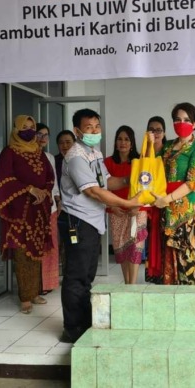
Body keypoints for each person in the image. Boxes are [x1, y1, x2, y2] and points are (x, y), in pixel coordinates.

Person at [60, 109, 141, 343]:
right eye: (89, 127)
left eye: (97, 126)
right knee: (77, 275)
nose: (94, 131)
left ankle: (84, 321)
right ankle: (72, 329)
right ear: (77, 131)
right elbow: (94, 191)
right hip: (78, 221)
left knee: (87, 274)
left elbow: (106, 182)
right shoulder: (76, 156)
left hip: (92, 221)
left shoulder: (94, 152)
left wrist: (130, 179)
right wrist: (127, 203)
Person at [0, 115, 54, 314]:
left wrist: (45, 191)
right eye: (24, 127)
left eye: (31, 127)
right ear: (16, 130)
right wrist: (30, 189)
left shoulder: (38, 152)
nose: (28, 131)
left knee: (36, 252)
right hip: (19, 212)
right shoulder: (9, 153)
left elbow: (49, 176)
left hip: (38, 210)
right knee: (22, 253)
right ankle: (25, 298)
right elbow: (5, 180)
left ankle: (35, 292)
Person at [153, 103, 195, 285]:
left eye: (186, 120)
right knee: (166, 254)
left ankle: (187, 296)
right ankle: (169, 295)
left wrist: (167, 199)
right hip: (164, 207)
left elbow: (192, 183)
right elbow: (153, 168)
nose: (181, 123)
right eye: (177, 119)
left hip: (185, 211)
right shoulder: (168, 146)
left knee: (185, 256)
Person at [104, 126, 148, 284]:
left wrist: (138, 206)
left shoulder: (139, 162)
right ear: (115, 142)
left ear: (132, 143)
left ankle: (133, 285)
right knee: (121, 247)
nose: (123, 142)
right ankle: (127, 283)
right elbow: (102, 188)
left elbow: (146, 187)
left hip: (137, 210)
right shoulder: (107, 162)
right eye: (120, 139)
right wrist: (111, 206)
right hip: (117, 211)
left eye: (126, 139)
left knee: (135, 247)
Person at [36, 123, 61, 295]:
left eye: (46, 135)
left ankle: (48, 283)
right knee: (36, 245)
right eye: (39, 134)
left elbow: (54, 184)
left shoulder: (49, 157)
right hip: (34, 209)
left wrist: (58, 201)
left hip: (50, 207)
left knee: (50, 245)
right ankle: (36, 284)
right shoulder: (27, 156)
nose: (43, 138)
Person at [144, 115, 168, 284]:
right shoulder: (144, 150)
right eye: (151, 130)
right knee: (150, 238)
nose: (155, 133)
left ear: (164, 133)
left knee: (165, 238)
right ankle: (153, 274)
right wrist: (148, 146)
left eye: (159, 130)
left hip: (166, 199)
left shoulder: (169, 152)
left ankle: (166, 273)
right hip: (148, 202)